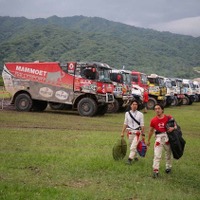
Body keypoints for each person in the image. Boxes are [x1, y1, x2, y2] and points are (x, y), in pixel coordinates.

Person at [147, 104, 177, 178]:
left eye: (159, 108)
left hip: (167, 137)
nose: (157, 110)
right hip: (158, 138)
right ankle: (155, 170)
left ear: (162, 109)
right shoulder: (153, 120)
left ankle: (168, 167)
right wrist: (148, 140)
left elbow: (175, 126)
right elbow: (151, 131)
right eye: (155, 109)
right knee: (157, 155)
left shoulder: (169, 117)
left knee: (168, 154)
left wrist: (172, 128)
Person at [121, 100, 145, 165]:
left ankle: (130, 159)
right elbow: (125, 123)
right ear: (130, 105)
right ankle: (136, 156)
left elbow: (142, 125)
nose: (135, 106)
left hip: (137, 133)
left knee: (133, 146)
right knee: (132, 145)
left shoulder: (140, 114)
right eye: (133, 104)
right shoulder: (127, 114)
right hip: (130, 132)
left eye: (136, 104)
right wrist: (122, 132)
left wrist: (143, 134)